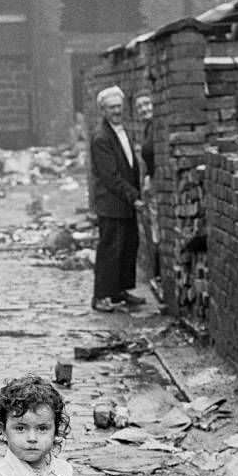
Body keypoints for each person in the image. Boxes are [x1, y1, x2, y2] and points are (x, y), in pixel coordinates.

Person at [89, 84, 146, 313]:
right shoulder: (101, 138)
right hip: (112, 203)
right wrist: (134, 197)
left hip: (124, 202)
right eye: (111, 108)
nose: (116, 111)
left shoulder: (121, 130)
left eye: (119, 107)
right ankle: (101, 296)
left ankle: (119, 290)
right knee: (110, 250)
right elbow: (110, 177)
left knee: (127, 246)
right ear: (103, 110)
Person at [133, 87, 160, 279]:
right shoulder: (148, 128)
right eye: (139, 106)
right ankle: (157, 272)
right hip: (154, 184)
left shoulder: (157, 127)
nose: (143, 109)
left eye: (147, 104)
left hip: (160, 186)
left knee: (157, 229)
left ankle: (158, 273)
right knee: (154, 229)